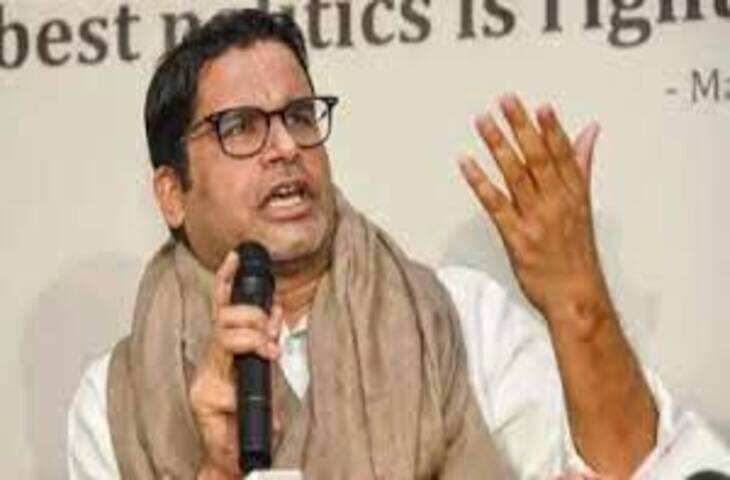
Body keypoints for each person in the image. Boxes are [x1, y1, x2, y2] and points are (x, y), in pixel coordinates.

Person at [67, 8, 730, 480]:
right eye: (241, 127)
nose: (287, 146)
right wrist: (216, 468)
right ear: (172, 194)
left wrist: (577, 303)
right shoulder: (115, 401)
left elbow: (637, 469)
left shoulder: (460, 319)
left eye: (300, 116)